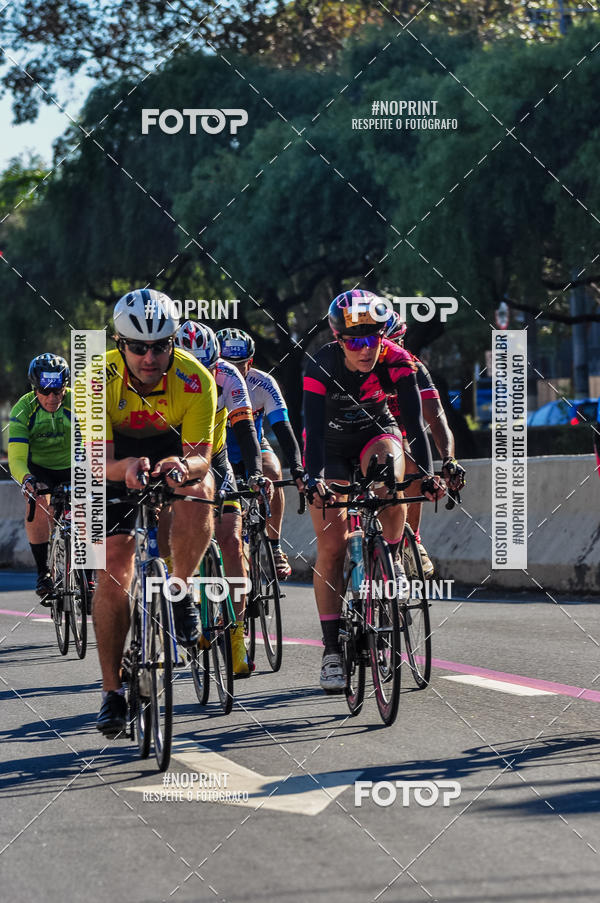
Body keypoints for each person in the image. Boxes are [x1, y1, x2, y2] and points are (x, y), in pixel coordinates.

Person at [303, 290, 445, 692]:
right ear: (338, 337)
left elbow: (416, 428)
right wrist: (314, 480)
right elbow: (311, 433)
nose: (365, 349)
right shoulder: (321, 364)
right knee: (330, 546)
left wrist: (431, 474)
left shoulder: (399, 361)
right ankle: (332, 650)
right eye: (355, 340)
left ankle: (394, 555)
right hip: (330, 445)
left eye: (374, 338)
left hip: (375, 434)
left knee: (390, 478)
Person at [94, 289, 217, 738]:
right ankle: (111, 692)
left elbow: (202, 456)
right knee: (112, 565)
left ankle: (179, 589)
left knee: (200, 488)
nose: (150, 357)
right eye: (138, 347)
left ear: (173, 342)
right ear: (119, 343)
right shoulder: (95, 375)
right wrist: (122, 468)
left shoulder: (195, 378)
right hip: (109, 459)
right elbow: (92, 461)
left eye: (161, 346)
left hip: (170, 450)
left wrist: (182, 465)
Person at [174, 320, 271, 676]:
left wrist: (257, 473)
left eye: (209, 367)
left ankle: (237, 635)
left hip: (215, 459)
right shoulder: (164, 379)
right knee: (176, 533)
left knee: (231, 540)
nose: (202, 375)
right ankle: (183, 604)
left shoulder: (229, 375)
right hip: (177, 458)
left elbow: (245, 429)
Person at [217, 327, 305, 579]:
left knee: (273, 471)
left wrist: (297, 466)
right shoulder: (211, 382)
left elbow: (284, 428)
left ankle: (275, 545)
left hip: (254, 446)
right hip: (220, 451)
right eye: (227, 364)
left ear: (251, 362)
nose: (234, 370)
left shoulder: (263, 383)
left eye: (241, 364)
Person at [384, 311, 466, 575]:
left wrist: (448, 459)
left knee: (414, 466)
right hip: (363, 433)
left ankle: (412, 538)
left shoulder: (414, 368)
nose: (389, 352)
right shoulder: (357, 368)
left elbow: (437, 419)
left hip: (400, 434)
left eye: (395, 343)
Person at [8, 354, 71, 604]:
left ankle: (87, 570)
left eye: (58, 391)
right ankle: (43, 572)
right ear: (35, 389)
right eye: (45, 392)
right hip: (39, 468)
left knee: (91, 504)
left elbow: (98, 445)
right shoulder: (23, 410)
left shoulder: (83, 403)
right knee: (38, 502)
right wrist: (26, 479)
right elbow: (16, 458)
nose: (53, 397)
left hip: (74, 464)